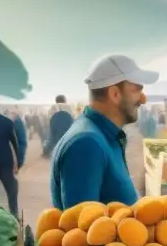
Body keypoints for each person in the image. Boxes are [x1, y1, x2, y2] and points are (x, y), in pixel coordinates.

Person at [50, 54, 157, 208]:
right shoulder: (86, 144)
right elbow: (82, 228)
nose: (143, 99)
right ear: (115, 94)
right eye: (137, 91)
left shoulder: (103, 135)